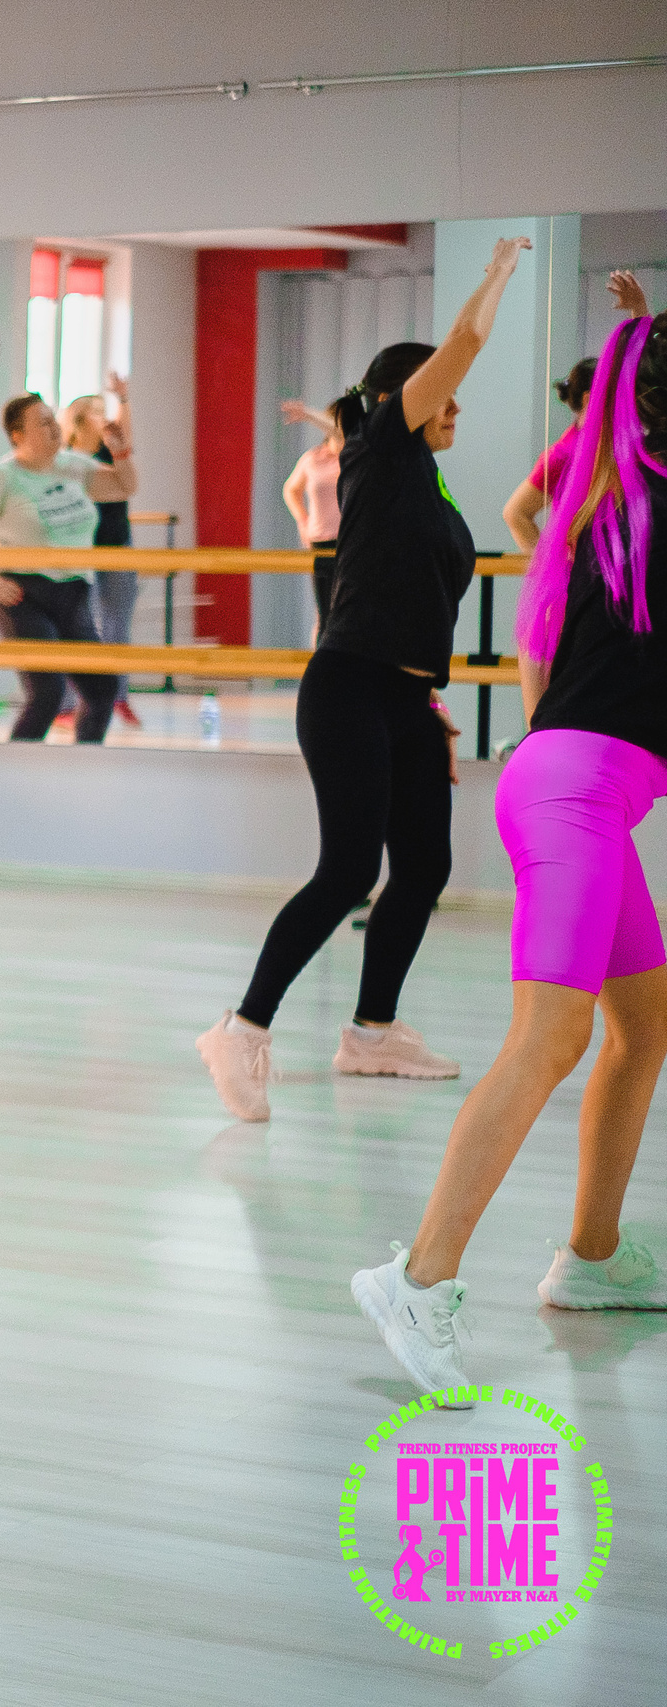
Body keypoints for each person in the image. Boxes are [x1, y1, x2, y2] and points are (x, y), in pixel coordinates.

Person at [353, 311, 667, 1397]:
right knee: (548, 1038)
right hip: (575, 797)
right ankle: (419, 1278)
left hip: (568, 787)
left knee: (641, 1022)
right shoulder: (633, 501)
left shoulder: (614, 498)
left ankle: (589, 1258)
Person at [196, 237, 533, 1123]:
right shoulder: (377, 451)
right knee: (348, 868)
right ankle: (240, 1027)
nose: (456, 403)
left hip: (405, 697)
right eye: (442, 392)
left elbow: (418, 596)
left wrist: (429, 699)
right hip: (346, 686)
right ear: (401, 400)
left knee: (423, 865)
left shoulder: (428, 481)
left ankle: (373, 1032)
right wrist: (496, 273)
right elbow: (462, 344)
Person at [0, 380, 137, 744]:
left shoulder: (72, 466)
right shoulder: (1, 476)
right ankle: (18, 771)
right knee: (47, 694)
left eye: (52, 418)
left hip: (72, 593)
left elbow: (124, 487)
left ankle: (81, 766)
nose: (53, 426)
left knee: (103, 690)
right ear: (17, 435)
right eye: (42, 422)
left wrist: (121, 454)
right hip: (22, 595)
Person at [502, 275, 648, 553]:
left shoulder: (616, 440)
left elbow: (638, 373)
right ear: (590, 399)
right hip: (590, 576)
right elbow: (515, 513)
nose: (625, 401)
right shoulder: (563, 454)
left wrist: (638, 312)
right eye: (615, 394)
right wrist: (555, 570)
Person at [62, 387, 140, 728]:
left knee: (116, 623)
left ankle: (118, 695)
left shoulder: (112, 453)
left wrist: (124, 399)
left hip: (117, 544)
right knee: (77, 626)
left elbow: (125, 433)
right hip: (80, 550)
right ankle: (66, 703)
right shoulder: (65, 459)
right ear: (79, 423)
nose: (103, 416)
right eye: (96, 411)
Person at [278, 397, 345, 627]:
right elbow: (291, 490)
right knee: (325, 611)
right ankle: (323, 658)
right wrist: (303, 521)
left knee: (348, 609)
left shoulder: (353, 455)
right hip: (322, 541)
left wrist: (306, 413)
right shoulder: (313, 458)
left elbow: (339, 433)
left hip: (351, 541)